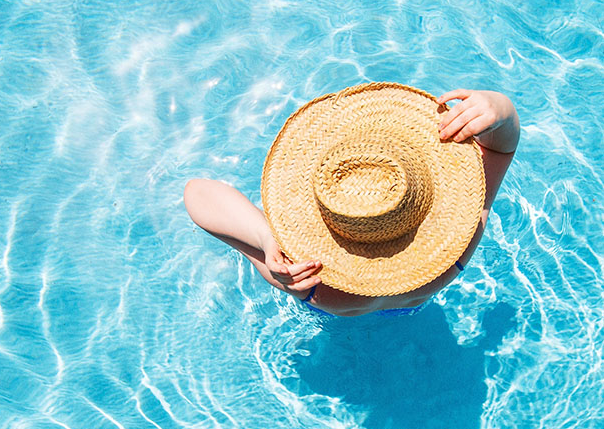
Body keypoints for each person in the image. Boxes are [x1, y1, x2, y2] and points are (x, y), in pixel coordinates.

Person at [184, 84, 519, 317]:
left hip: (336, 314)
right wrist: (498, 107)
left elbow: (197, 193)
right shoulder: (458, 242)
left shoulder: (307, 278)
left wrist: (267, 239)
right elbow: (502, 146)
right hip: (421, 301)